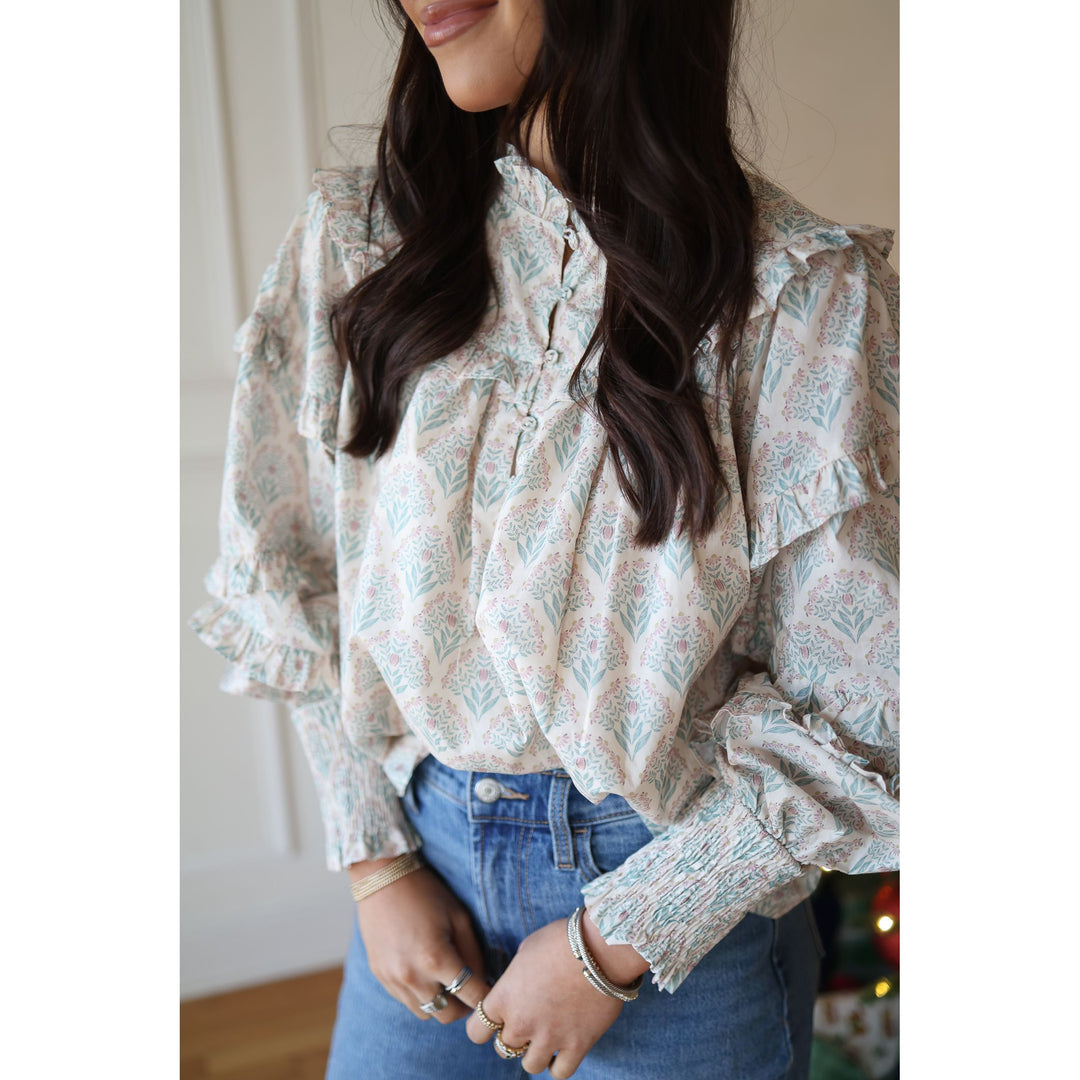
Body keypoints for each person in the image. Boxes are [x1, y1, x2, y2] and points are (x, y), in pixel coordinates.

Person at [189, 1, 899, 1076]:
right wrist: (377, 865)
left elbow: (862, 699)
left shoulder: (798, 297)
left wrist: (613, 945)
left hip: (675, 922)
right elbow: (296, 574)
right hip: (422, 875)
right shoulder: (355, 244)